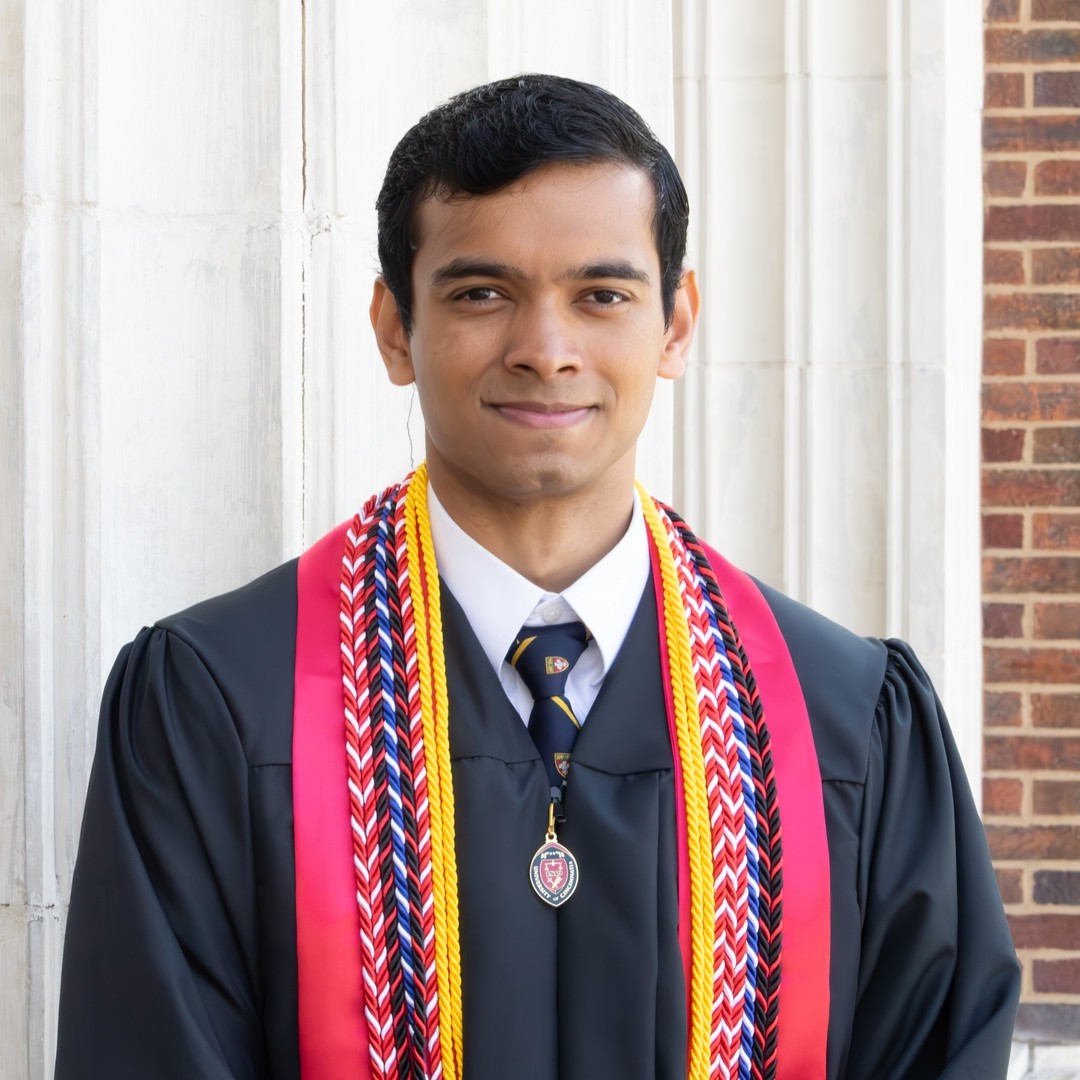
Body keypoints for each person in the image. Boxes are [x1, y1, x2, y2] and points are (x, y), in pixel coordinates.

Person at [55, 74, 1019, 1080]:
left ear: (677, 322)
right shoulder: (220, 703)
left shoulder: (847, 719)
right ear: (395, 327)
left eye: (601, 295)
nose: (546, 351)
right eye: (482, 294)